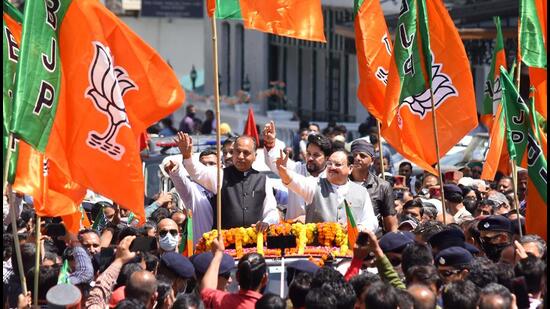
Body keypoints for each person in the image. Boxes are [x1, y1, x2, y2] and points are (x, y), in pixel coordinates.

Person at [180, 133, 279, 230]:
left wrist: (267, 222)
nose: (240, 156)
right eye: (237, 151)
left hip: (254, 242)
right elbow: (197, 172)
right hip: (224, 243)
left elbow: (271, 210)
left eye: (246, 152)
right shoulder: (220, 175)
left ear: (255, 156)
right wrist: (187, 156)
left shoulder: (263, 180)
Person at [276, 150, 378, 232]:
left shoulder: (361, 192)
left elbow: (371, 221)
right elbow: (294, 181)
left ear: (350, 168)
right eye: (329, 164)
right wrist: (283, 172)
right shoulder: (315, 184)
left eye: (337, 165)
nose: (332, 167)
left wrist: (357, 228)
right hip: (317, 253)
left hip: (350, 252)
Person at [263, 121, 332, 221]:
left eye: (316, 155)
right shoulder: (297, 169)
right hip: (292, 232)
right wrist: (270, 143)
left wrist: (308, 218)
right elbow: (276, 162)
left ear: (327, 158)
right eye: (308, 154)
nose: (310, 158)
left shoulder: (331, 178)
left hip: (322, 233)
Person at [164, 148, 218, 245]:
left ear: (220, 166)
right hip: (202, 251)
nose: (207, 168)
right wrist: (175, 171)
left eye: (212, 164)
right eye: (203, 165)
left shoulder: (227, 188)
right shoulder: (193, 190)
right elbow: (181, 182)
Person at [200, 236, 267, 309]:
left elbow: (206, 292)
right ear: (264, 279)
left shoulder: (223, 301)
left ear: (237, 276)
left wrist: (218, 254)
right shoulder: (271, 306)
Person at [349, 139, 398, 233]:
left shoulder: (383, 186)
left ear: (372, 160)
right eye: (354, 155)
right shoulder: (341, 182)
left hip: (372, 241)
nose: (357, 158)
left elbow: (391, 224)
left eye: (362, 156)